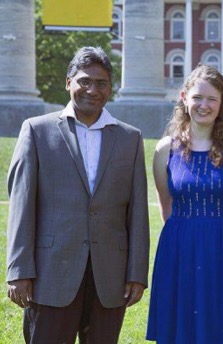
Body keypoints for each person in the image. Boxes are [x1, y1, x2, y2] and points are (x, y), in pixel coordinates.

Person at [6, 46, 150, 343]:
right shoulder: (36, 131)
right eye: (84, 80)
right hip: (50, 274)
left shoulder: (130, 138)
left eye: (101, 83)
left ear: (111, 88)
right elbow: (22, 204)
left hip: (109, 277)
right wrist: (18, 270)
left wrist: (137, 273)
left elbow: (137, 212)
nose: (92, 90)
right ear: (68, 82)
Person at [146, 64, 223, 344]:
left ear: (222, 104)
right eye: (197, 97)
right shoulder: (164, 149)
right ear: (184, 97)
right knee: (178, 326)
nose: (203, 105)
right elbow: (166, 205)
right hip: (177, 249)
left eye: (212, 99)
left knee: (218, 327)